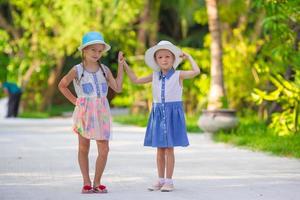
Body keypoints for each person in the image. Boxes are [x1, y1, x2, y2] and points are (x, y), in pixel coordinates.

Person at [123, 40, 200, 192]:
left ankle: (169, 181)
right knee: (159, 149)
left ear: (173, 59)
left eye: (167, 57)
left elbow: (196, 71)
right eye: (160, 57)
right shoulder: (154, 76)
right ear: (156, 60)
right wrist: (124, 64)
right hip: (158, 114)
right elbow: (135, 80)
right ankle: (160, 179)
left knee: (169, 149)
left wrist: (189, 57)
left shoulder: (179, 75)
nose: (164, 60)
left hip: (172, 114)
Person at [58, 31, 124, 194]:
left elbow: (118, 87)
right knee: (83, 147)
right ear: (84, 51)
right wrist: (75, 101)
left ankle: (97, 181)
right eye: (93, 50)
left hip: (101, 111)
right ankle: (86, 182)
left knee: (104, 149)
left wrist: (121, 66)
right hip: (85, 111)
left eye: (100, 50)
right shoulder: (77, 69)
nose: (97, 53)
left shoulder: (105, 70)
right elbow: (62, 84)